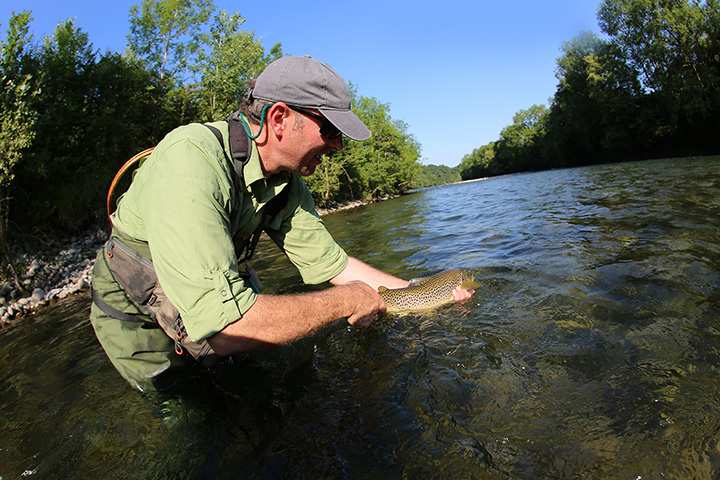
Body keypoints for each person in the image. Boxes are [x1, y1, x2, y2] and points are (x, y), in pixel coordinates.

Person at [90, 55, 474, 392]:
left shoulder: (288, 182)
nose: (337, 146)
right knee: (186, 411)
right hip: (137, 318)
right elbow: (227, 328)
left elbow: (334, 266)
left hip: (213, 296)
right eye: (330, 131)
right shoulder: (190, 160)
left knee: (263, 385)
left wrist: (424, 293)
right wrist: (345, 301)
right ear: (279, 118)